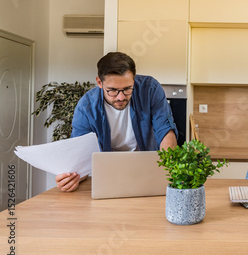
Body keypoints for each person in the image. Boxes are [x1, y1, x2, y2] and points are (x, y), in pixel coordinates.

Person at [56, 52, 178, 192]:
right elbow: (80, 156)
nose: (121, 97)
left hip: (147, 169)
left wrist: (167, 169)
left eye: (127, 89)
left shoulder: (150, 89)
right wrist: (73, 177)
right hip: (108, 174)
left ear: (134, 80)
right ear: (99, 82)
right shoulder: (86, 107)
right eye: (112, 90)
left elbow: (165, 130)